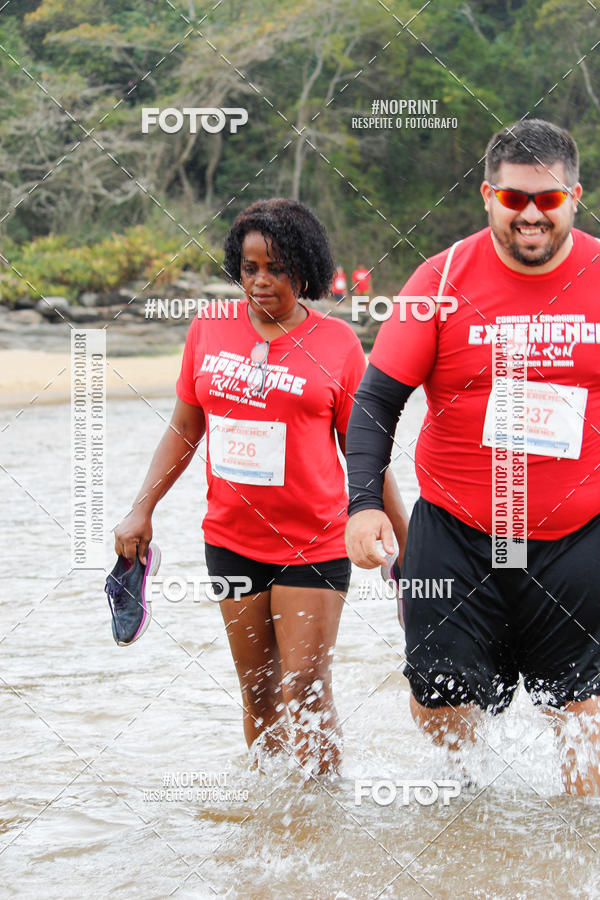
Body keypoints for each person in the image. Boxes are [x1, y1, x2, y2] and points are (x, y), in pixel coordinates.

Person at [345, 119, 600, 794]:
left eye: (547, 199)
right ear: (488, 194)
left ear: (574, 195)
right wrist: (365, 504)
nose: (531, 214)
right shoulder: (441, 279)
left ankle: (581, 857)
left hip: (577, 536)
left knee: (584, 713)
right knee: (439, 703)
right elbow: (374, 401)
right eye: (514, 197)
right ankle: (472, 807)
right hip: (458, 534)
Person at [113, 198, 370, 776]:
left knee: (304, 683)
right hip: (231, 540)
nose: (260, 281)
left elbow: (363, 450)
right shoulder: (209, 329)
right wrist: (140, 510)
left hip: (315, 540)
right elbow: (184, 427)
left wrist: (394, 530)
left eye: (276, 268)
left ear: (304, 268)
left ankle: (319, 810)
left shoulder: (338, 345)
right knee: (258, 691)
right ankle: (268, 813)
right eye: (250, 267)